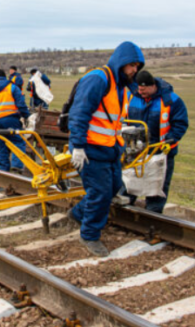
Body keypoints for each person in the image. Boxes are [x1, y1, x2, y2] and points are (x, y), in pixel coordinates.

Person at [67, 41, 144, 257]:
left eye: (137, 67)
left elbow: (113, 119)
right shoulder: (98, 79)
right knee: (99, 192)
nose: (134, 70)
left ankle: (77, 214)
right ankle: (89, 235)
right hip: (90, 148)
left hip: (110, 148)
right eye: (132, 65)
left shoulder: (122, 86)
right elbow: (79, 113)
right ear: (121, 63)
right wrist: (79, 146)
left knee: (113, 188)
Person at [122, 70, 188, 213]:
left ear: (153, 86)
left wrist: (171, 139)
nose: (141, 92)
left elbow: (180, 123)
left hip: (160, 151)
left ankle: (153, 214)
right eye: (139, 89)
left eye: (144, 90)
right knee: (128, 182)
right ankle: (123, 208)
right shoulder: (130, 97)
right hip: (135, 150)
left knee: (157, 186)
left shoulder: (171, 100)